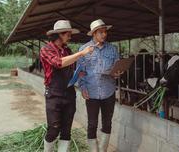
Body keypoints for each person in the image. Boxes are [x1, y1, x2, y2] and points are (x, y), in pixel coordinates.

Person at [40, 20, 95, 152]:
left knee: (66, 129)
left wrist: (78, 73)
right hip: (54, 94)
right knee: (53, 128)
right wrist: (81, 53)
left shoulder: (67, 50)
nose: (70, 36)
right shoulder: (46, 49)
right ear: (60, 34)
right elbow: (58, 63)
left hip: (69, 93)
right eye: (68, 34)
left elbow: (70, 66)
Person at [78, 19, 120, 152]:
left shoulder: (113, 49)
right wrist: (83, 88)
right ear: (94, 34)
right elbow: (81, 72)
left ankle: (103, 150)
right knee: (92, 124)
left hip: (109, 91)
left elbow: (117, 67)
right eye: (101, 32)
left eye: (105, 32)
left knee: (107, 123)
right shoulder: (83, 49)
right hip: (91, 92)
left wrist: (117, 73)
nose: (104, 34)